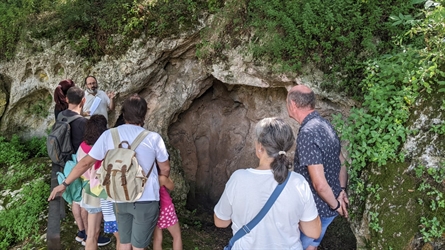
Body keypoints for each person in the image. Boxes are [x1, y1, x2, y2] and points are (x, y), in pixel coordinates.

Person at [49, 94, 171, 250]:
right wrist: (161, 181)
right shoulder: (154, 138)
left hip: (118, 196)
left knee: (124, 242)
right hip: (146, 199)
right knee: (139, 246)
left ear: (123, 113)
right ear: (144, 114)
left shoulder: (109, 135)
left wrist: (65, 183)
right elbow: (165, 168)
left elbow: (85, 162)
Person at [214, 117, 321, 249]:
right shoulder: (298, 183)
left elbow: (220, 222)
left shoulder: (238, 179)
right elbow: (314, 232)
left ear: (260, 147)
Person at [286, 85, 349, 250]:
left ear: (293, 104)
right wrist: (341, 190)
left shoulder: (307, 133)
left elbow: (319, 184)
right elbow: (341, 161)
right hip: (330, 206)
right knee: (312, 246)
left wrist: (335, 205)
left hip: (316, 210)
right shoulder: (324, 124)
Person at [58, 86, 89, 244]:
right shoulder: (84, 122)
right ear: (83, 101)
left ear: (67, 100)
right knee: (84, 199)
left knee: (75, 199)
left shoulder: (61, 116)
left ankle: (80, 232)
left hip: (65, 162)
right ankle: (88, 237)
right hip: (79, 163)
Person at [76, 114, 111, 248]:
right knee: (95, 233)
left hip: (87, 191)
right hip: (99, 193)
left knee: (91, 234)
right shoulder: (100, 149)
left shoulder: (83, 145)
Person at [152, 175, 183, 250]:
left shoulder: (148, 177)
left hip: (153, 208)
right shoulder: (161, 178)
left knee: (157, 238)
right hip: (166, 208)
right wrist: (168, 177)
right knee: (176, 236)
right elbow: (171, 186)